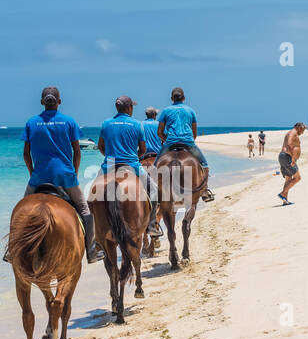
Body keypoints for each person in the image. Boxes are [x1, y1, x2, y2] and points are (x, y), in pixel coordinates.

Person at [15, 86, 102, 262]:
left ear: (42, 102)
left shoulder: (31, 123)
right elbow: (77, 152)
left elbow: (26, 153)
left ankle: (12, 252)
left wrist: (33, 173)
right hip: (65, 176)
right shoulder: (69, 122)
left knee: (21, 212)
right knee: (84, 208)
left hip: (39, 177)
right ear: (59, 102)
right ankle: (91, 251)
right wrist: (74, 173)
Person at [97, 95, 160, 235]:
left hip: (109, 166)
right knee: (154, 189)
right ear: (129, 108)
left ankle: (96, 239)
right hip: (132, 165)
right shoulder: (137, 124)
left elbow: (101, 146)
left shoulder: (106, 123)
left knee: (93, 194)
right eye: (132, 106)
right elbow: (143, 150)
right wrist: (132, 157)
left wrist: (110, 157)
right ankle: (151, 225)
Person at [157, 87, 213, 201]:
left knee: (155, 165)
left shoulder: (166, 111)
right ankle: (204, 190)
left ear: (172, 98)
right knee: (204, 164)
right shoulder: (190, 111)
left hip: (170, 143)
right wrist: (189, 140)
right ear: (184, 98)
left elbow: (159, 132)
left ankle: (152, 191)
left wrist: (166, 139)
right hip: (188, 143)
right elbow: (194, 133)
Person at [278, 122, 306, 204]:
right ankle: (282, 194)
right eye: (303, 129)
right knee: (298, 178)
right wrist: (293, 158)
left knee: (288, 179)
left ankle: (285, 200)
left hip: (284, 157)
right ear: (299, 127)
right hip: (287, 157)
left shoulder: (292, 133)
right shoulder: (293, 132)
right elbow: (289, 143)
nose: (303, 131)